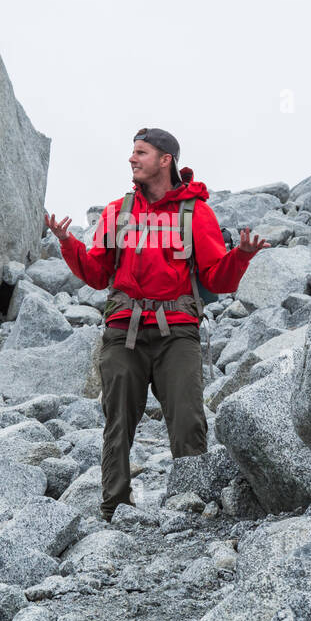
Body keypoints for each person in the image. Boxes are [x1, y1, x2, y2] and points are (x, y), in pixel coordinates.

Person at [44, 128, 269, 521]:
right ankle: (115, 506)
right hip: (122, 331)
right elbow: (98, 275)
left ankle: (192, 501)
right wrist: (68, 244)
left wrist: (242, 256)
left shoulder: (197, 213)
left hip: (177, 333)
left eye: (141, 153)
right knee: (117, 423)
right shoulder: (118, 212)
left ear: (166, 160)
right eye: (132, 152)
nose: (132, 159)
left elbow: (217, 278)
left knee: (187, 418)